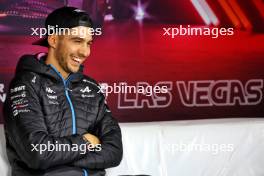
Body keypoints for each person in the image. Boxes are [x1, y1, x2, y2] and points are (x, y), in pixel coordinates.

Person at [3, 6, 123, 176]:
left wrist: (59, 157)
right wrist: (86, 142)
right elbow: (38, 152)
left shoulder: (92, 87)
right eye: (77, 41)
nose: (85, 52)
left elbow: (114, 152)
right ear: (53, 40)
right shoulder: (26, 84)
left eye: (88, 43)